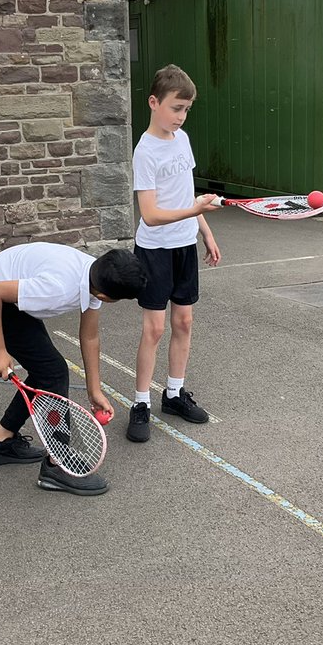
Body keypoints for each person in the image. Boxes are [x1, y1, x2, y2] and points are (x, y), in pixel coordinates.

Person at [0, 243, 147, 496]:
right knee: (53, 372)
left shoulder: (96, 274)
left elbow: (90, 336)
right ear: (106, 296)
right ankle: (57, 466)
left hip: (8, 295)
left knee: (46, 371)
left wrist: (94, 390)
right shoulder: (59, 288)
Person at [127, 64, 221, 444]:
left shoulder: (181, 139)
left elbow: (186, 191)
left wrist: (206, 232)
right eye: (176, 108)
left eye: (186, 110)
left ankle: (174, 394)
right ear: (154, 102)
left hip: (184, 245)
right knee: (155, 328)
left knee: (183, 323)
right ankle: (140, 404)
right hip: (155, 249)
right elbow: (149, 215)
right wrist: (196, 211)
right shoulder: (145, 151)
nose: (181, 117)